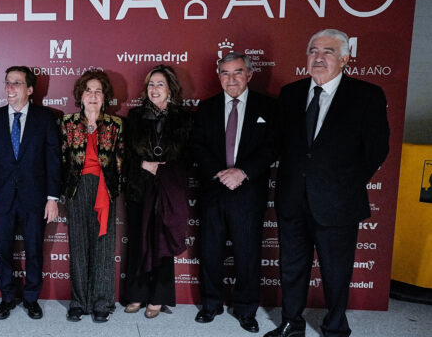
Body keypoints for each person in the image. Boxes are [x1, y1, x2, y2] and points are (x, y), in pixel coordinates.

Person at [267, 29, 390, 337]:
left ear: (345, 59)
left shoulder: (367, 95)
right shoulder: (291, 94)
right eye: (313, 51)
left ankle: (335, 328)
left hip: (338, 202)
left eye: (328, 52)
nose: (319, 57)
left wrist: (343, 185)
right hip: (293, 198)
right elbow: (279, 144)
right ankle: (291, 324)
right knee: (292, 268)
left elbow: (377, 149)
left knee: (336, 271)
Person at [191, 52, 277, 333]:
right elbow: (197, 146)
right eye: (225, 73)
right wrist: (220, 172)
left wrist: (241, 172)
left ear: (249, 74)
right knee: (210, 251)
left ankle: (246, 309)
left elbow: (272, 147)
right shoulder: (206, 108)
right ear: (219, 76)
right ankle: (211, 304)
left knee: (248, 254)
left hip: (248, 192)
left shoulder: (268, 107)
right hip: (213, 191)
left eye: (237, 72)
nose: (231, 79)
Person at [0, 66, 60, 320]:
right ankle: (6, 297)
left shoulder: (45, 118)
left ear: (30, 89)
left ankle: (31, 298)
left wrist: (52, 198)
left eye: (16, 83)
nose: (10, 88)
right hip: (1, 197)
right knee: (3, 249)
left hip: (34, 198)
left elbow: (53, 160)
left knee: (34, 249)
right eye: (7, 83)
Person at [123, 64, 192, 318]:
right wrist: (144, 164)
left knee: (162, 243)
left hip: (169, 190)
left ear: (170, 89)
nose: (154, 89)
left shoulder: (184, 118)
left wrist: (164, 171)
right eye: (151, 84)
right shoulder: (134, 117)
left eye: (160, 84)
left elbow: (190, 158)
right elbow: (125, 155)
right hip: (139, 187)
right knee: (139, 241)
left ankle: (159, 298)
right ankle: (137, 294)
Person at [60, 70, 123, 323]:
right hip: (76, 189)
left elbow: (121, 161)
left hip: (104, 189)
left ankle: (102, 303)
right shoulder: (67, 122)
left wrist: (111, 187)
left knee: (104, 247)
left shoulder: (116, 124)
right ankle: (78, 302)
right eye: (88, 90)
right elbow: (62, 160)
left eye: (98, 91)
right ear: (81, 95)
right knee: (78, 247)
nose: (93, 95)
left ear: (105, 96)